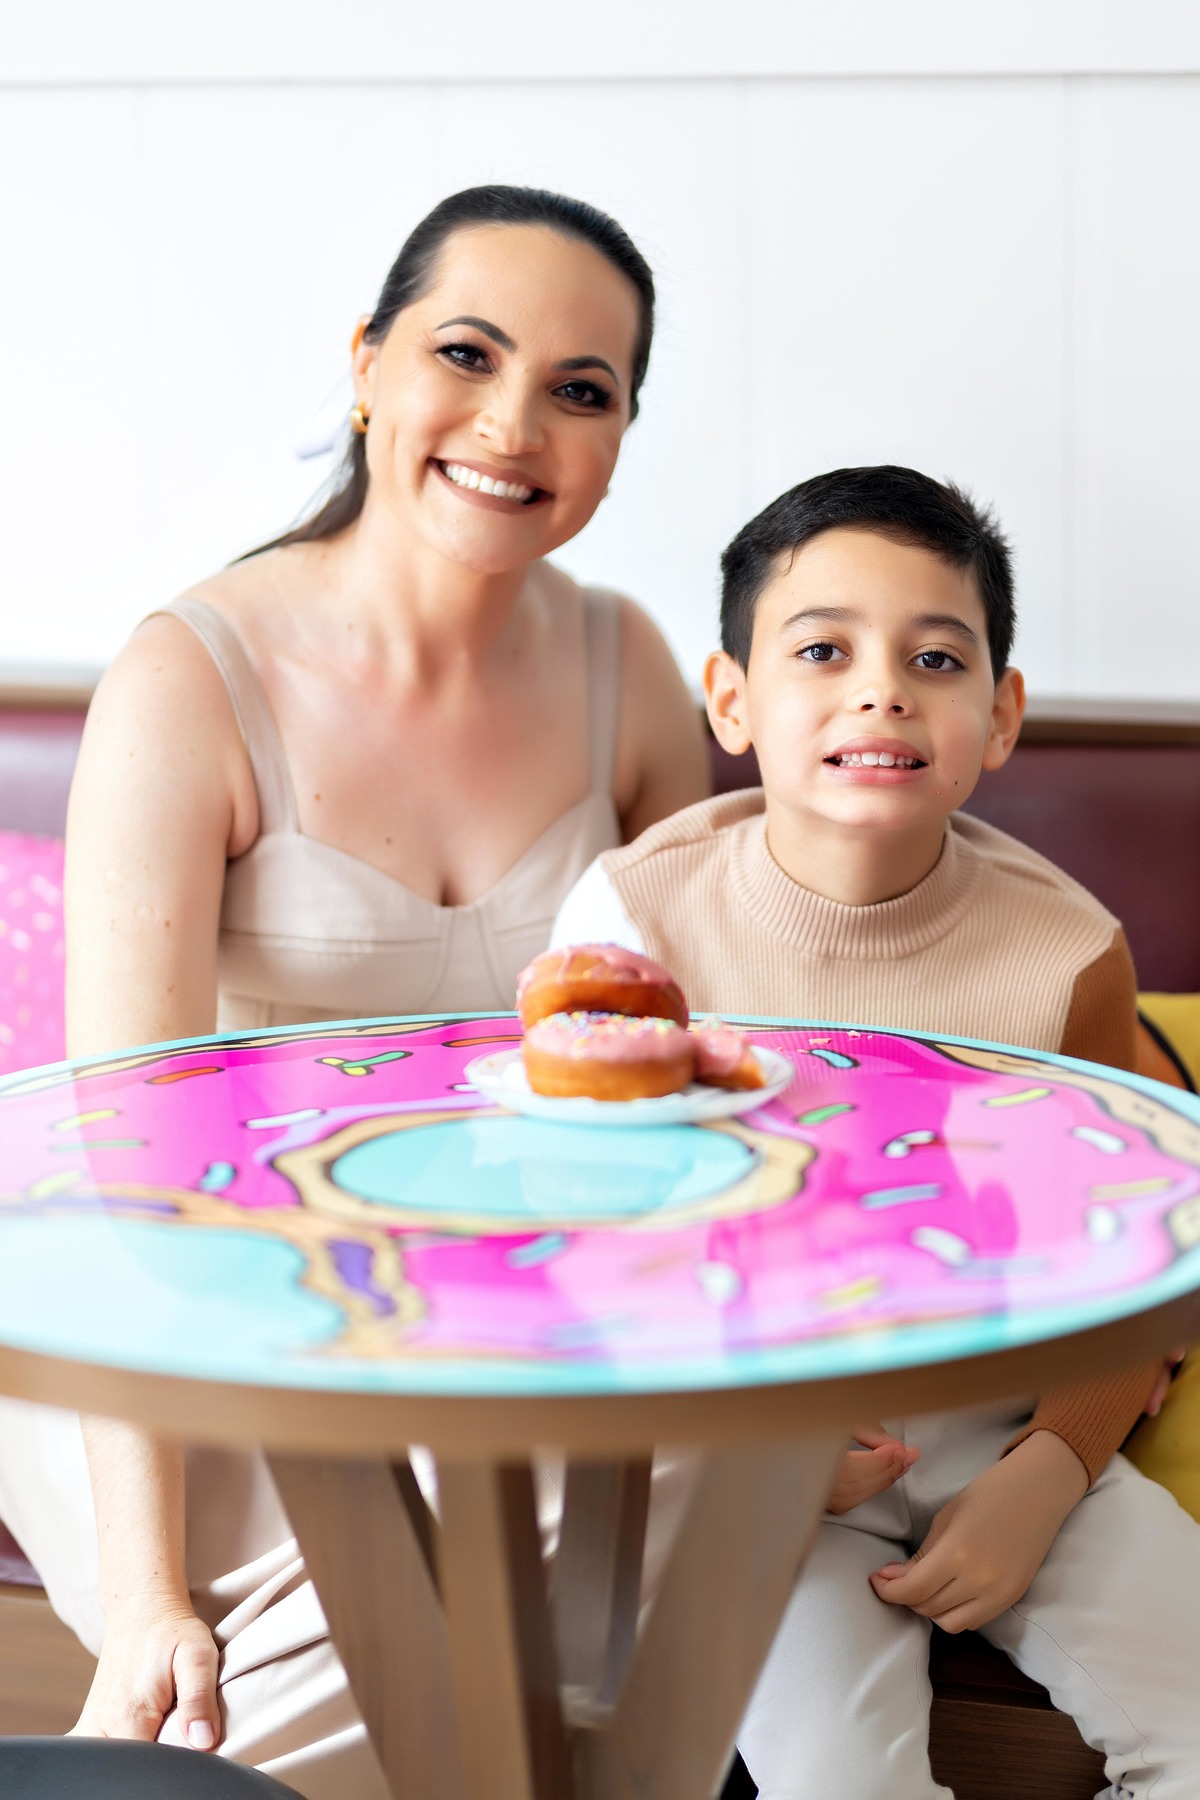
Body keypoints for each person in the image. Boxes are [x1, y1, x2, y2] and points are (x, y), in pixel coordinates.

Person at [0, 185, 707, 1797]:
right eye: (467, 353)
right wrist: (147, 1592)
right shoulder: (189, 679)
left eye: (582, 390)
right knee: (455, 1644)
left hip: (497, 1324)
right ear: (368, 364)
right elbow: (129, 1167)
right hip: (182, 1319)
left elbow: (691, 1076)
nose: (514, 425)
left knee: (670, 1474)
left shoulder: (633, 673)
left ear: (618, 440)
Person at [551, 464, 1200, 1798]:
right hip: (755, 1464)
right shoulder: (634, 923)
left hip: (1012, 1438)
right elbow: (588, 1251)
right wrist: (753, 1445)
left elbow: (1132, 1265)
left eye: (936, 657)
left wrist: (1052, 1465)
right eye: (823, 650)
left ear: (1000, 716)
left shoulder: (1069, 952)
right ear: (732, 699)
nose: (882, 691)